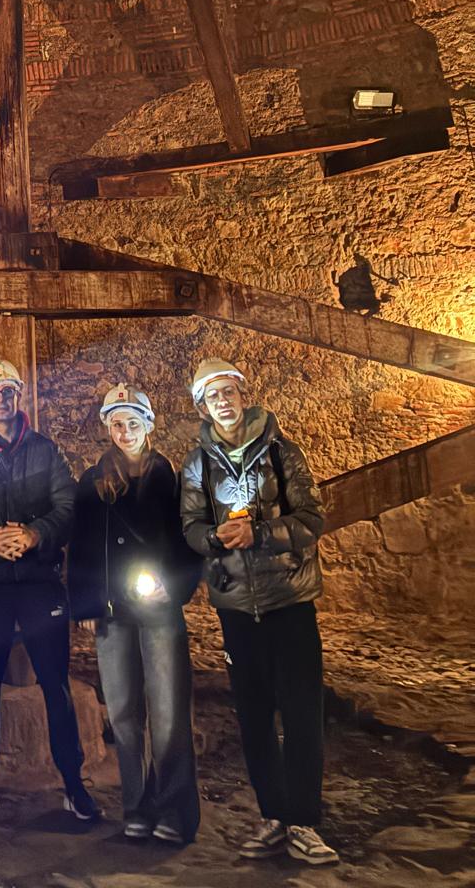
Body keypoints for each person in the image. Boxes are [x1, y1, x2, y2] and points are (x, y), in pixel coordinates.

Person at [181, 358, 338, 868]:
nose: (223, 401)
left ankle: (304, 822)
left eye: (229, 391)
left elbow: (313, 517)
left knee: (301, 714)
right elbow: (190, 524)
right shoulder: (196, 465)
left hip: (288, 602)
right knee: (252, 717)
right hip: (235, 608)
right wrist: (211, 538)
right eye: (213, 395)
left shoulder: (281, 452)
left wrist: (262, 533)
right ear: (202, 406)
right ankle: (273, 815)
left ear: (242, 395)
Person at [0, 355, 97, 822]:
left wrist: (33, 535)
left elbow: (67, 506)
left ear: (17, 395)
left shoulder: (44, 451)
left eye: (6, 391)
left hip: (38, 585)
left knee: (56, 685)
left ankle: (73, 782)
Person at [68, 383, 201, 845]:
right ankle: (136, 806)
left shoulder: (172, 479)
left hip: (160, 609)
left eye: (132, 422)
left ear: (149, 425)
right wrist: (85, 602)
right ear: (108, 428)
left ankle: (176, 811)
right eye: (116, 424)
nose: (124, 432)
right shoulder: (93, 481)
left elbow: (189, 541)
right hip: (112, 612)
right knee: (123, 712)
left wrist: (176, 583)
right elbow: (82, 545)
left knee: (168, 712)